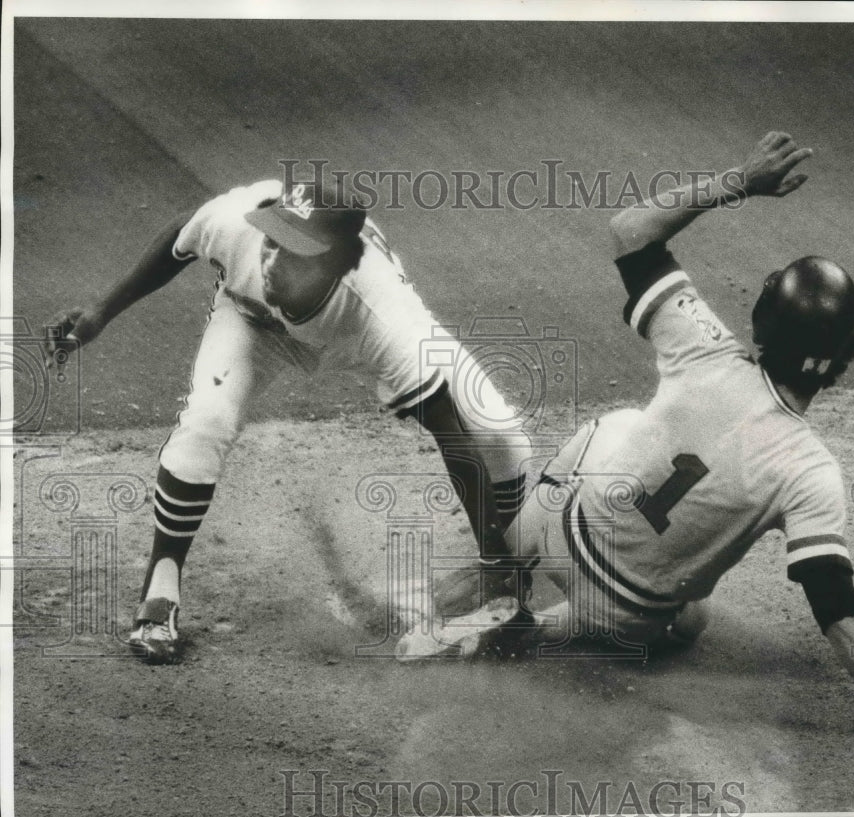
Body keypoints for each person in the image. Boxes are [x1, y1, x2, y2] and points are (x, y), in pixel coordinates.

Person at [405, 132, 854, 757]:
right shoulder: (811, 473)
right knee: (693, 615)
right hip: (622, 618)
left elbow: (630, 231)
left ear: (763, 325)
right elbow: (834, 600)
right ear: (840, 357)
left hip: (557, 532)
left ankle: (506, 562)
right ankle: (538, 629)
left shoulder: (704, 350)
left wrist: (740, 181)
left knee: (618, 423)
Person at [44, 170, 532, 664]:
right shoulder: (235, 223)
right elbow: (179, 234)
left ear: (335, 264)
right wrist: (101, 311)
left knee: (499, 432)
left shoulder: (383, 310)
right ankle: (161, 587)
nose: (271, 259)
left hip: (350, 333)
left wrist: (496, 566)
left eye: (294, 252)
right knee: (206, 421)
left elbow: (449, 431)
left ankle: (513, 575)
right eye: (271, 240)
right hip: (256, 326)